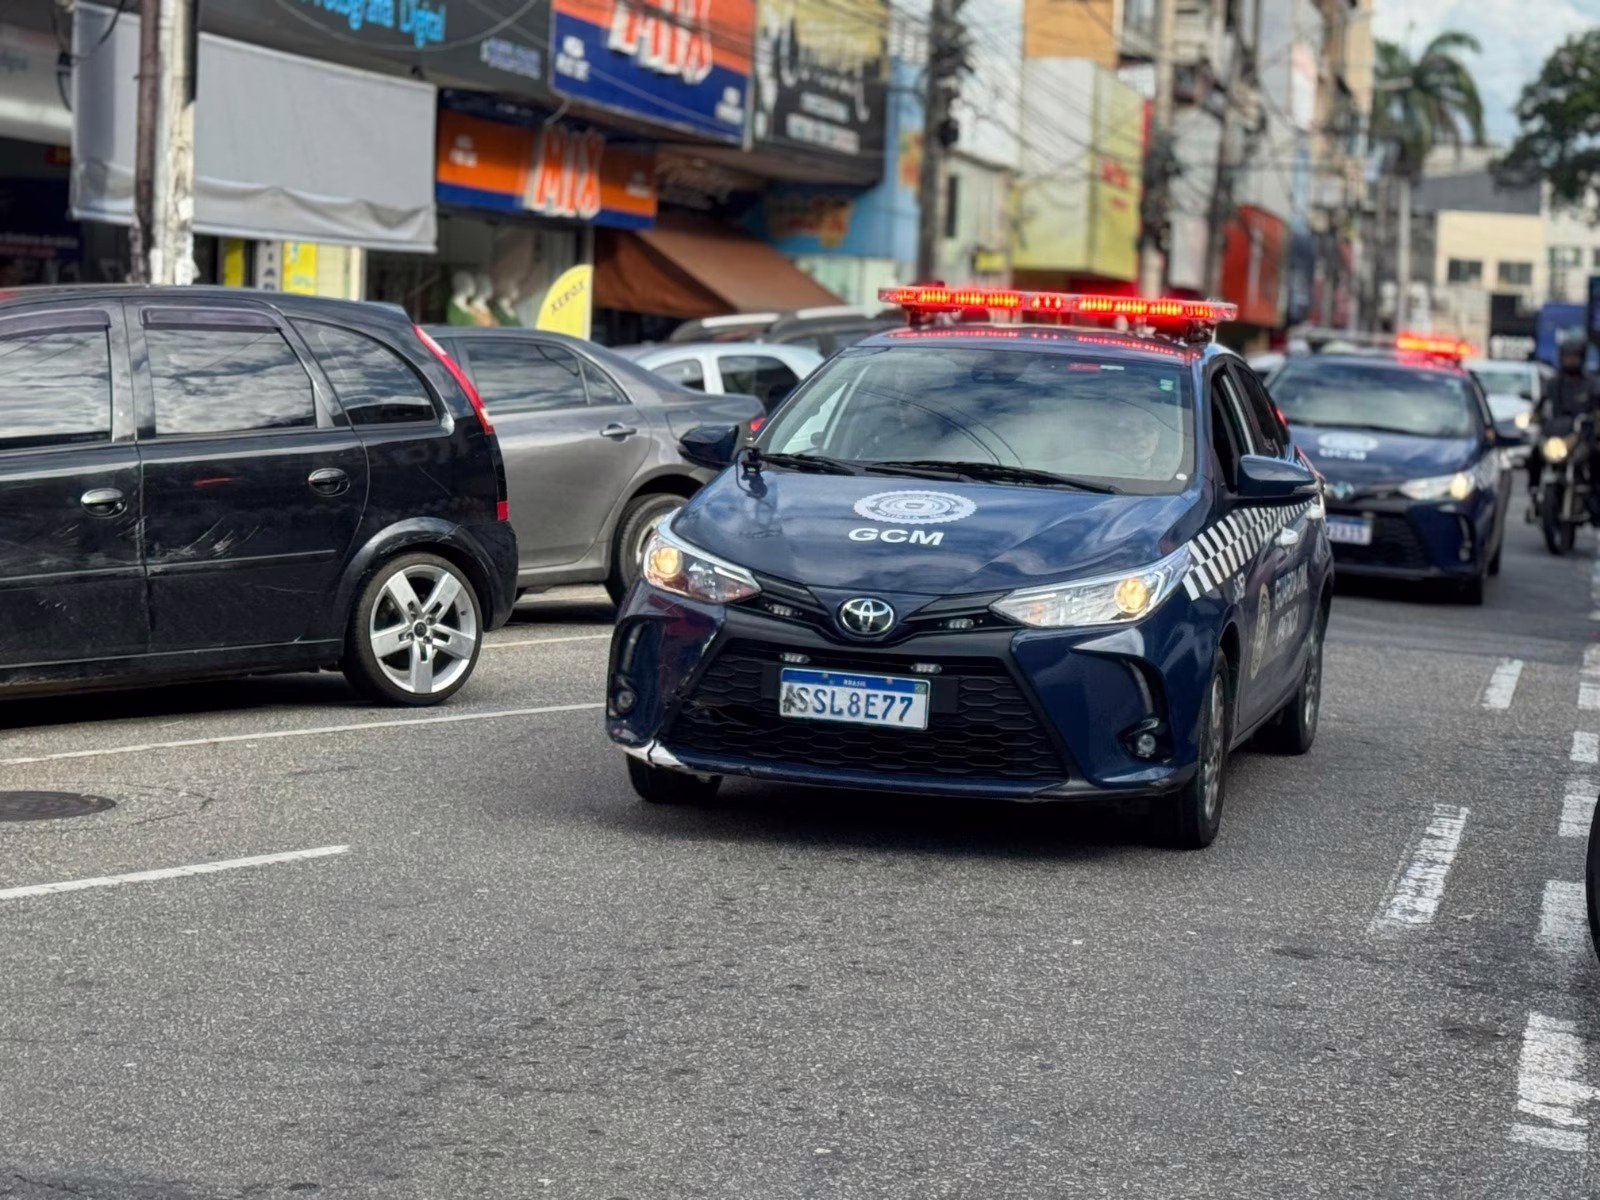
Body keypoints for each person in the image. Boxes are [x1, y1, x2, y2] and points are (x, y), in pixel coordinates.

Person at [1528, 336, 1599, 493]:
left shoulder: (1591, 384)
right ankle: (1533, 488)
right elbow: (1541, 405)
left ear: (1582, 358)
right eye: (1567, 357)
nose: (1570, 361)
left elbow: (1596, 409)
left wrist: (1595, 419)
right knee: (1535, 452)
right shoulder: (1553, 383)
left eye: (1574, 357)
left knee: (1595, 454)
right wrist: (1535, 417)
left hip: (1581, 435)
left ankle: (1594, 492)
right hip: (1557, 434)